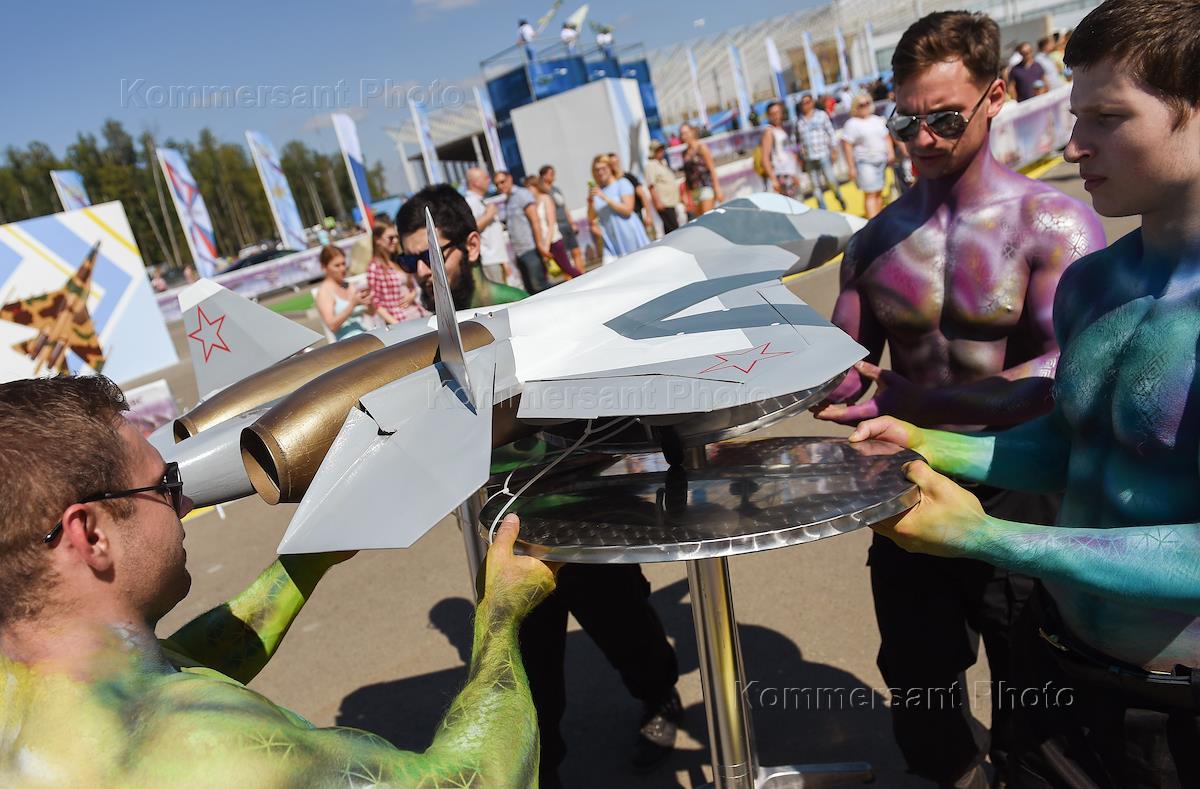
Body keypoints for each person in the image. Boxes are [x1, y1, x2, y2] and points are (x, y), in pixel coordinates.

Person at [849, 2, 1200, 785]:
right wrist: (929, 442)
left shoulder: (1059, 234)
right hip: (1063, 672)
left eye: (1108, 118)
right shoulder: (1095, 284)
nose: (1074, 145)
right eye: (1077, 117)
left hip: (1180, 714)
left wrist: (990, 538)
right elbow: (1073, 444)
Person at [0, 375, 556, 787]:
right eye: (163, 485)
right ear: (90, 535)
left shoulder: (33, 686)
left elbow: (173, 665)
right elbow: (477, 782)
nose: (184, 502)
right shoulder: (210, 752)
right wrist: (501, 613)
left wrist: (306, 561)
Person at [813, 11, 1106, 787]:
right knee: (919, 681)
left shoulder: (1054, 223)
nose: (923, 138)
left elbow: (1071, 367)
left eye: (945, 118)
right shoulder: (873, 244)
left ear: (995, 97)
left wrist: (915, 401)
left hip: (1022, 480)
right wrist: (794, 371)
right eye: (905, 120)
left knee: (1037, 683)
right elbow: (847, 369)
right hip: (911, 484)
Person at [395, 184, 527, 312]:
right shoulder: (432, 325)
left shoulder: (520, 310)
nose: (421, 272)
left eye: (432, 257)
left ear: (472, 246)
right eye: (410, 261)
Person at [494, 170, 550, 293]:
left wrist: (540, 245)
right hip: (519, 252)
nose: (500, 186)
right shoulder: (508, 200)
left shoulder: (521, 194)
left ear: (510, 179)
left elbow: (535, 220)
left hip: (530, 249)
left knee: (540, 287)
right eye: (497, 184)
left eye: (502, 182)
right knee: (530, 290)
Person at [840, 93, 895, 219]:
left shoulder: (877, 120)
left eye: (867, 103)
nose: (865, 106)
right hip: (865, 162)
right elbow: (847, 146)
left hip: (881, 160)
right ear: (855, 107)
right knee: (870, 193)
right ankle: (873, 222)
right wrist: (851, 167)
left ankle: (878, 219)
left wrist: (891, 153)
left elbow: (886, 138)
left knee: (879, 192)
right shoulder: (852, 123)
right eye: (861, 105)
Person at [588, 154, 650, 260]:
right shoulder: (597, 191)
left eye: (603, 168)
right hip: (611, 240)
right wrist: (590, 202)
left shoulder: (622, 183)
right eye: (597, 170)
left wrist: (605, 198)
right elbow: (591, 217)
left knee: (638, 262)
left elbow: (628, 210)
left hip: (628, 234)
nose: (600, 172)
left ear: (610, 168)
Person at [366, 217, 426, 324]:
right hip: (400, 321)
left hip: (419, 314)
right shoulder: (374, 267)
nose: (395, 241)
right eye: (390, 238)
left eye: (396, 237)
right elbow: (375, 302)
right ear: (377, 240)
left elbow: (413, 286)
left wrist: (413, 294)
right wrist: (396, 324)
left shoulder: (398, 260)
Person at [463, 167, 515, 286]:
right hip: (489, 260)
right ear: (476, 183)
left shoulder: (479, 200)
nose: (489, 181)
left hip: (495, 258)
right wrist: (489, 215)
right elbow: (470, 230)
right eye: (485, 178)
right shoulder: (470, 202)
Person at [795, 93, 847, 211]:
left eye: (808, 102)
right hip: (809, 158)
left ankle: (838, 196)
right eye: (803, 103)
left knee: (831, 180)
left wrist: (834, 150)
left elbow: (831, 132)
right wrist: (800, 157)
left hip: (823, 154)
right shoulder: (799, 121)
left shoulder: (821, 115)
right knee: (815, 187)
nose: (806, 105)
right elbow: (797, 141)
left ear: (812, 103)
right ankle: (823, 209)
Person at [314, 244, 376, 341]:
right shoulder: (324, 292)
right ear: (324, 267)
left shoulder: (350, 286)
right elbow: (332, 326)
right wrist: (352, 305)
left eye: (343, 264)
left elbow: (371, 313)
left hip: (365, 337)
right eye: (337, 265)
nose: (342, 269)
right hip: (346, 344)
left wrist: (370, 301)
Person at [525, 175, 581, 279]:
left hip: (553, 240)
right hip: (543, 243)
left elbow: (551, 224)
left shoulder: (546, 198)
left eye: (529, 188)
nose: (528, 191)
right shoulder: (533, 203)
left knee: (566, 268)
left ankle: (584, 279)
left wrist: (546, 246)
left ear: (535, 186)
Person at [539, 165, 588, 276]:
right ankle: (571, 279)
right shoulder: (544, 193)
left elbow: (564, 207)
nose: (553, 176)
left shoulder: (556, 190)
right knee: (564, 258)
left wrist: (572, 222)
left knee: (576, 251)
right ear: (544, 176)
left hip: (566, 224)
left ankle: (582, 275)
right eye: (551, 174)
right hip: (558, 226)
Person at [679, 122, 723, 215]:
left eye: (686, 133)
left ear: (692, 132)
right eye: (682, 134)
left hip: (706, 186)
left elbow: (712, 169)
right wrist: (685, 194)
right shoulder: (684, 153)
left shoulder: (701, 147)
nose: (684, 136)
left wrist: (717, 188)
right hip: (694, 191)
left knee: (707, 217)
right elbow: (687, 175)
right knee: (700, 219)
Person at [761, 100, 801, 199]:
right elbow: (765, 158)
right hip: (780, 175)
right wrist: (773, 179)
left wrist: (795, 172)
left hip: (790, 173)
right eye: (773, 114)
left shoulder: (781, 130)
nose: (776, 116)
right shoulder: (769, 132)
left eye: (778, 112)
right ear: (768, 116)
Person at [607, 153, 654, 238]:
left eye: (616, 162)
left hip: (635, 215)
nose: (615, 165)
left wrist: (648, 215)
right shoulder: (609, 183)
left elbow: (643, 195)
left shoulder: (628, 177)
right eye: (612, 163)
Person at [644, 142, 682, 234]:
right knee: (673, 228)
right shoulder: (651, 165)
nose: (661, 152)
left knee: (671, 228)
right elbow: (651, 186)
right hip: (664, 202)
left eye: (661, 149)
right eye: (658, 150)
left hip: (670, 201)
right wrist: (658, 202)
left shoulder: (663, 163)